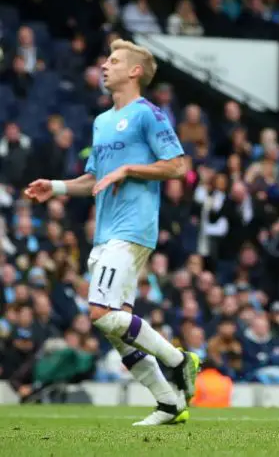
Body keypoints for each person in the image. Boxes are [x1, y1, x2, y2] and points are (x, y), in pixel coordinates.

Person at [24, 39, 200, 426]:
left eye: (114, 60)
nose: (105, 66)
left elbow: (177, 166)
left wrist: (130, 170)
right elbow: (96, 179)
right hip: (104, 231)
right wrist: (54, 186)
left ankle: (178, 360)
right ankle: (169, 403)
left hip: (133, 226)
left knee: (101, 312)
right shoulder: (102, 121)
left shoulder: (148, 115)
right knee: (116, 326)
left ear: (135, 71)